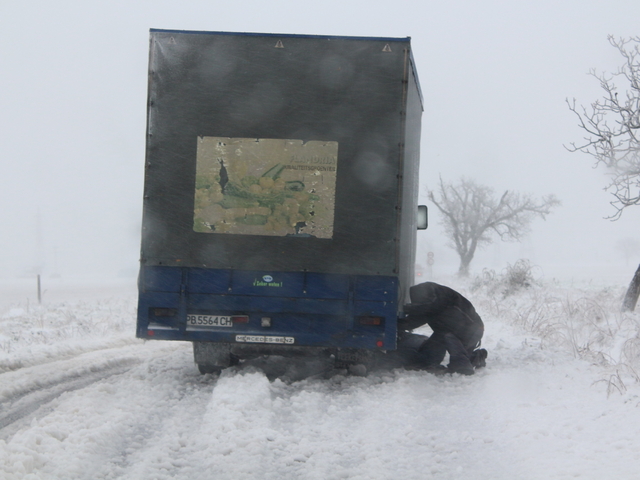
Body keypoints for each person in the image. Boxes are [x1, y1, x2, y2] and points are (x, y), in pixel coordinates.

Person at [395, 282, 487, 375]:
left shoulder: (444, 300)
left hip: (471, 332)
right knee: (427, 357)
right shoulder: (437, 299)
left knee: (449, 339)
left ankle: (463, 365)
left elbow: (431, 309)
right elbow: (414, 320)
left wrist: (412, 309)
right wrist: (393, 324)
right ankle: (474, 357)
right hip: (459, 331)